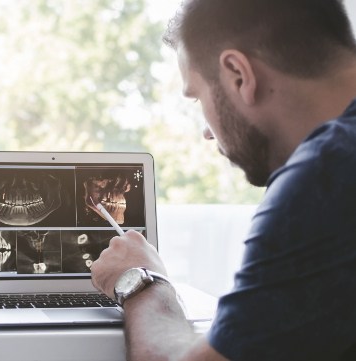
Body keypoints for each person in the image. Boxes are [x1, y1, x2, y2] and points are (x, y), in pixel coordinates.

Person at [91, 0, 356, 359]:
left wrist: (141, 281)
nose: (207, 131)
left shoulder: (325, 176)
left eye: (198, 96)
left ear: (239, 75)